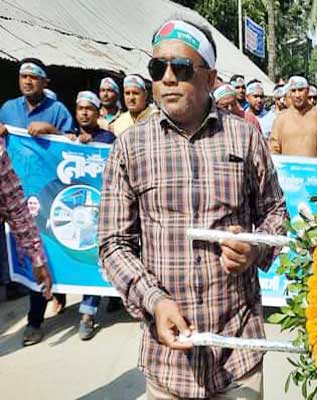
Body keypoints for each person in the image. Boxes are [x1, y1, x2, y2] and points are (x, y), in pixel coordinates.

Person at [99, 19, 288, 399]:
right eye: (158, 69)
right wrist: (156, 300)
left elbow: (276, 214)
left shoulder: (244, 136)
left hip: (238, 356)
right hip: (167, 365)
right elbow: (113, 244)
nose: (167, 78)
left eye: (181, 69)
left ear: (210, 78)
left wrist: (254, 249)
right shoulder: (130, 147)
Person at [0, 58, 73, 346]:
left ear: (45, 82)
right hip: (10, 192)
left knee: (41, 252)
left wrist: (52, 131)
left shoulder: (57, 111)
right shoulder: (7, 109)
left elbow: (74, 144)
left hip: (45, 196)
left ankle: (34, 321)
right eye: (23, 76)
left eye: (34, 76)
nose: (28, 81)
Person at [65, 91, 116, 340]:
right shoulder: (67, 138)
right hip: (79, 211)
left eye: (89, 109)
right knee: (85, 255)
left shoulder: (109, 139)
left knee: (100, 257)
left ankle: (90, 310)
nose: (84, 113)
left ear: (98, 113)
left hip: (104, 209)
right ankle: (88, 312)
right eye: (80, 108)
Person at [269, 75, 317, 156]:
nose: (297, 95)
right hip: (287, 168)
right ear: (289, 93)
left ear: (307, 91)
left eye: (301, 90)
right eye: (293, 91)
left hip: (315, 168)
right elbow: (274, 148)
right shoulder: (281, 119)